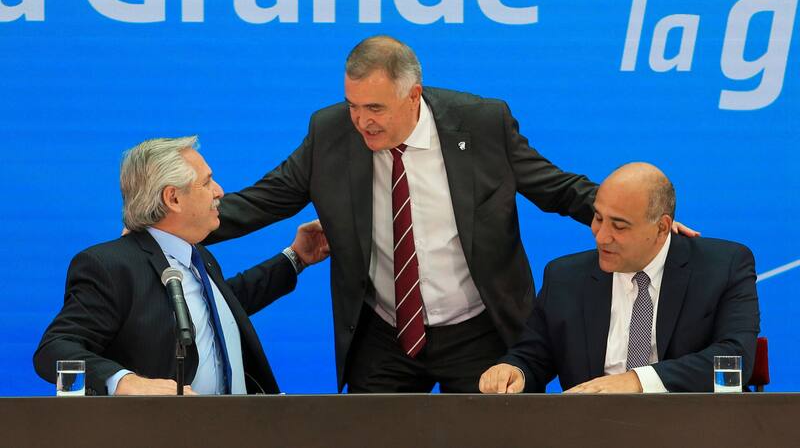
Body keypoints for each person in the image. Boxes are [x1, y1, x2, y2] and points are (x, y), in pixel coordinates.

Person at [205, 36, 696, 393]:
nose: (361, 121)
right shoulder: (331, 133)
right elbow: (262, 201)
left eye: (374, 107)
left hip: (479, 329)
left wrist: (645, 222)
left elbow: (557, 188)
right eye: (353, 105)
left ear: (413, 94)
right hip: (383, 334)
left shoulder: (481, 124)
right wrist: (175, 224)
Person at [33, 136, 329, 395]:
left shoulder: (198, 256)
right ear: (172, 197)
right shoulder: (110, 266)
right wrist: (125, 382)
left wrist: (296, 257)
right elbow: (55, 348)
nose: (220, 191)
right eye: (207, 181)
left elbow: (224, 307)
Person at [479, 163, 759, 394]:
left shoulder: (722, 267)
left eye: (619, 226)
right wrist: (513, 370)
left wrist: (635, 380)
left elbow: (734, 359)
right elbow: (534, 356)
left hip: (693, 428)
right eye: (598, 218)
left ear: (662, 227)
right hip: (593, 430)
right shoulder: (565, 276)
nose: (601, 237)